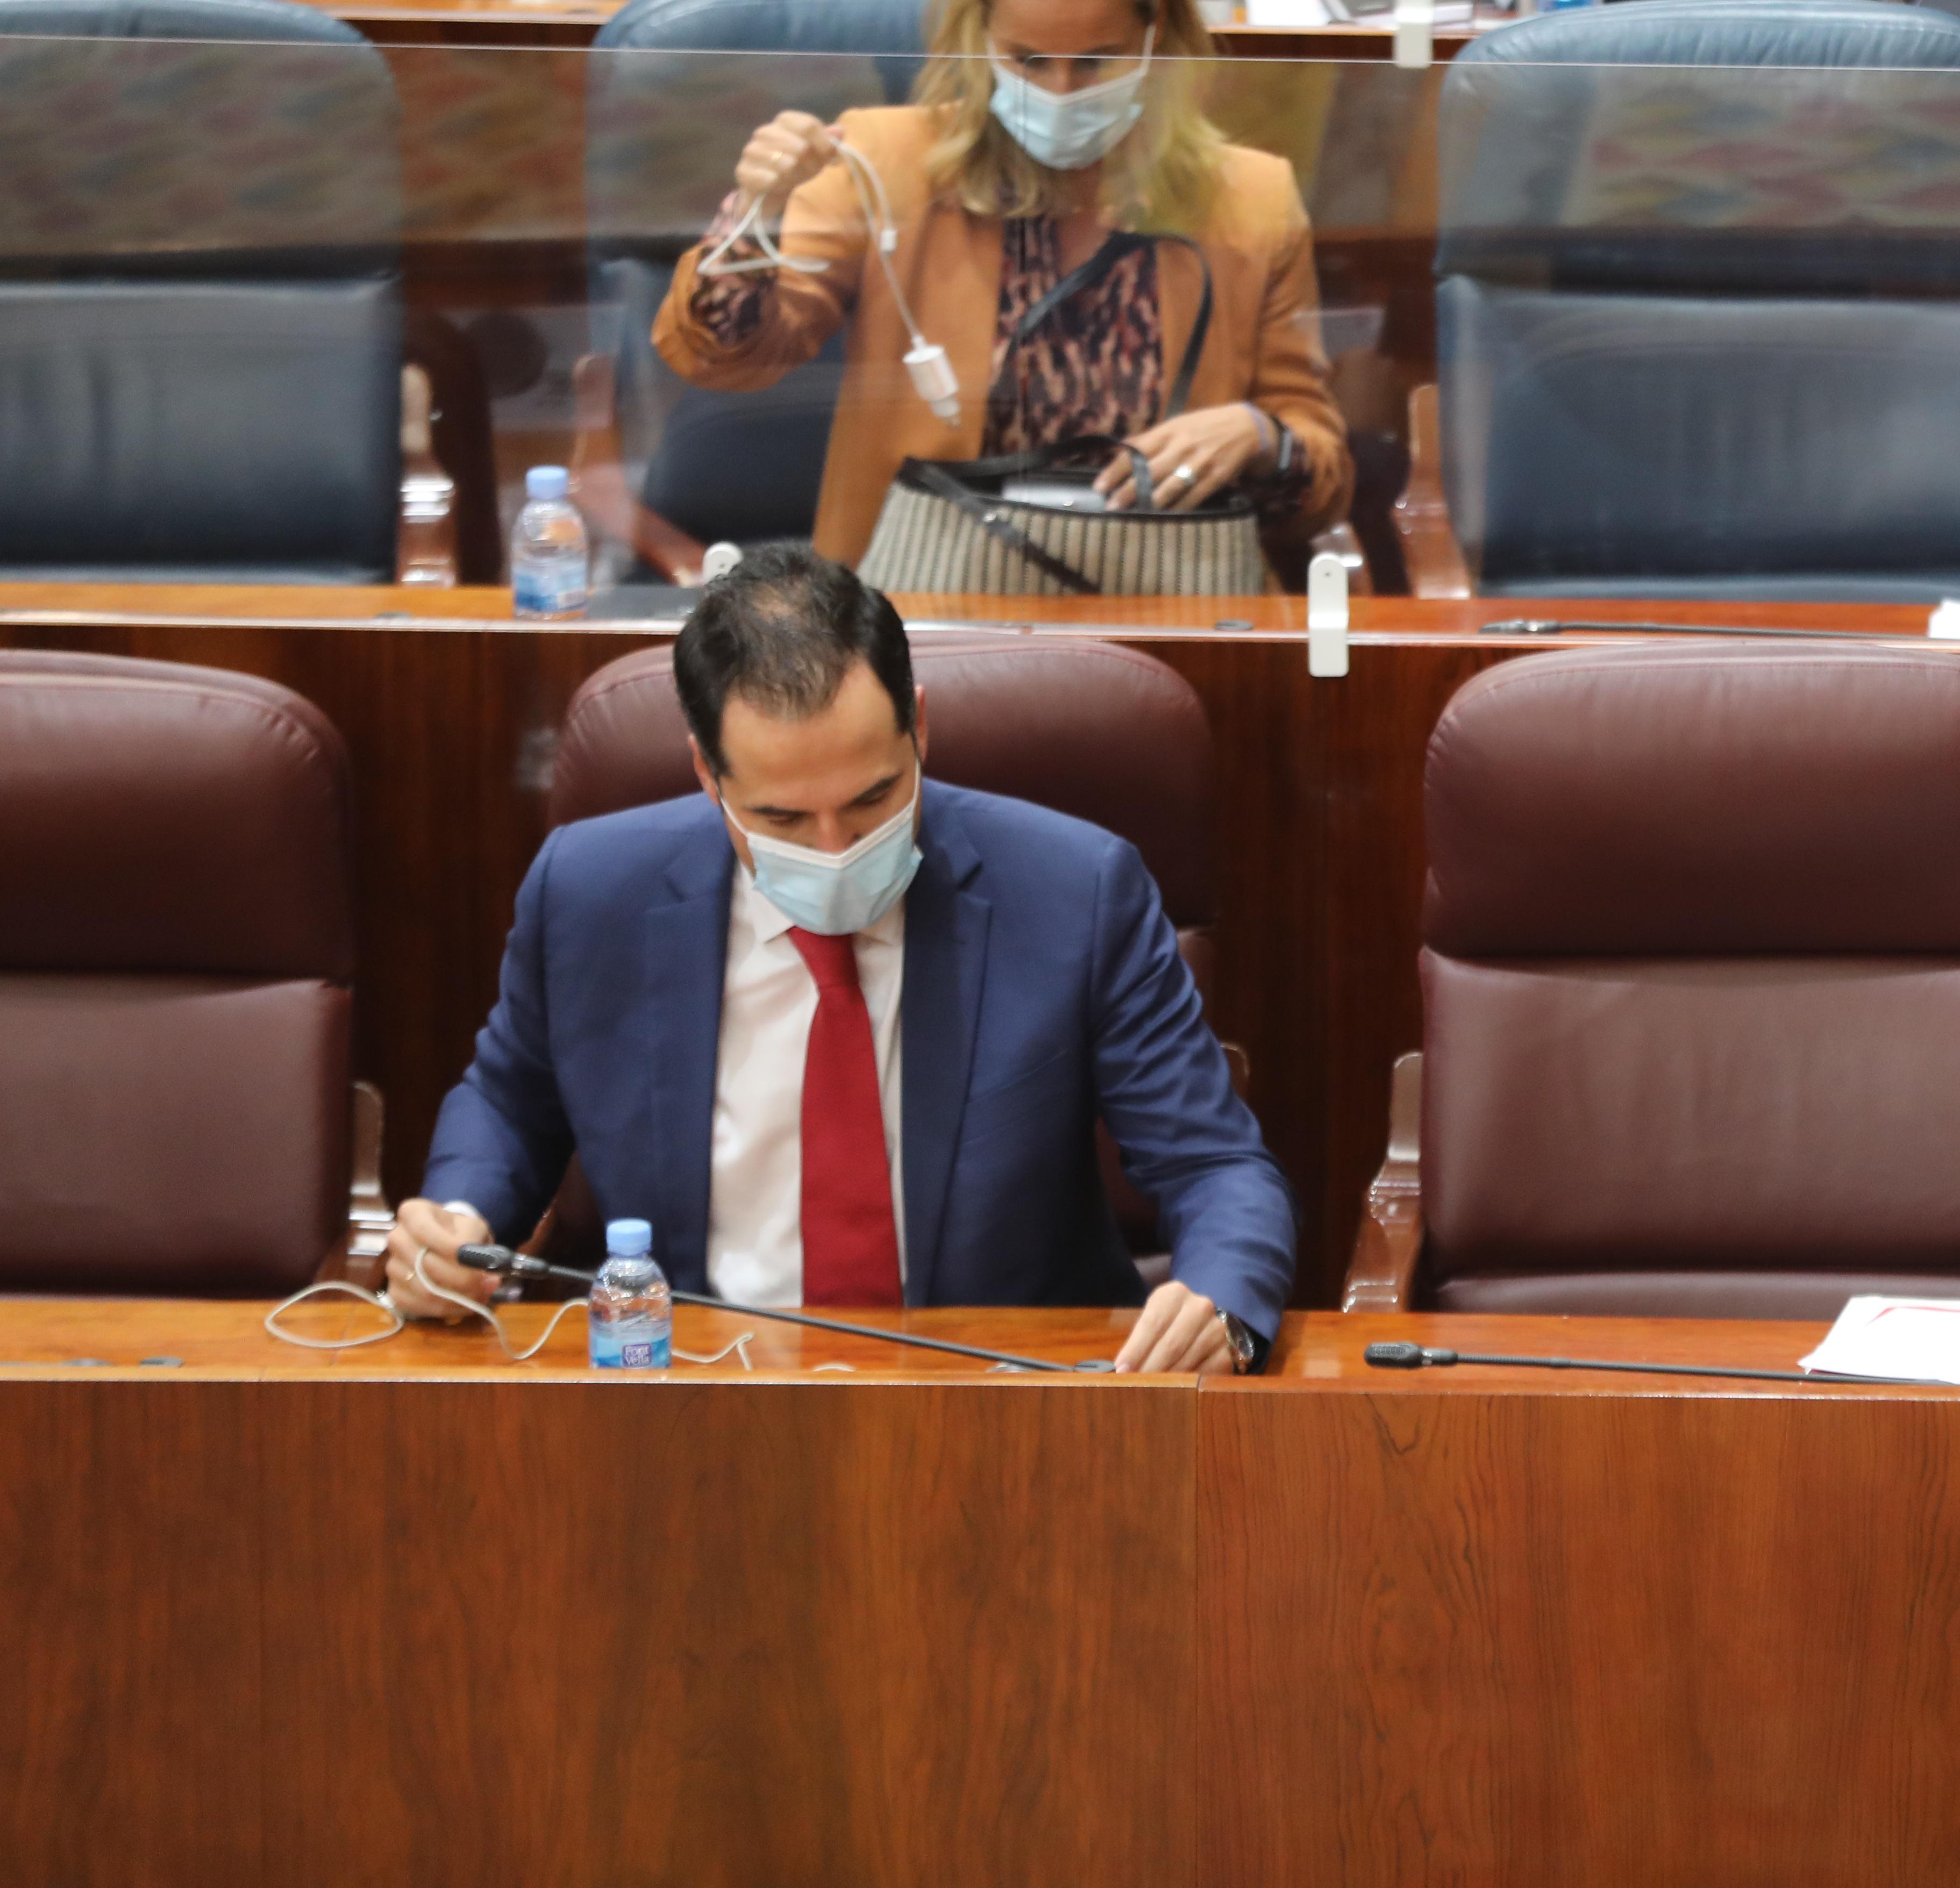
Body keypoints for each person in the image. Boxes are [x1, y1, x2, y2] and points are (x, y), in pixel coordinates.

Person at [389, 547, 1295, 1372]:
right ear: (708, 776)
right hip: (697, 1387)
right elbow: (510, 1101)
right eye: (784, 819)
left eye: (871, 800)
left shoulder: (1076, 890)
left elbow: (1214, 1165)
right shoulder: (591, 892)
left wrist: (1220, 1298)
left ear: (920, 732)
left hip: (997, 1397)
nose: (832, 849)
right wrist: (460, 1219)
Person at [655, 0, 1352, 564]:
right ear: (979, 30)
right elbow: (724, 359)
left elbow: (1322, 490)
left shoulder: (1248, 198)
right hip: (930, 611)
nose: (1060, 88)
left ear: (1156, 27)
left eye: (1095, 60)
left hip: (1166, 604)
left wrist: (1261, 438)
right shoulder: (881, 166)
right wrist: (759, 212)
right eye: (1027, 59)